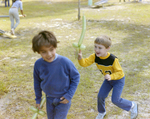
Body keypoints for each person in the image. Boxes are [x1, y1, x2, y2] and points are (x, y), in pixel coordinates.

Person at [77, 35, 138, 119]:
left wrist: (111, 76)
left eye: (100, 48)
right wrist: (80, 58)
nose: (97, 50)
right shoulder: (94, 56)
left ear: (107, 48)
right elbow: (85, 63)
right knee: (100, 96)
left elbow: (120, 73)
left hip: (118, 80)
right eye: (95, 47)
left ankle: (132, 105)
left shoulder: (113, 59)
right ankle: (102, 112)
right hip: (108, 80)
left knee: (115, 100)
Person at [32, 30, 80, 119]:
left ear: (55, 47)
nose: (49, 54)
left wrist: (69, 95)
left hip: (63, 99)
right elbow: (37, 82)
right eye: (44, 52)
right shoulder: (38, 64)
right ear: (38, 52)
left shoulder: (65, 62)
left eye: (51, 49)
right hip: (49, 98)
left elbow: (76, 77)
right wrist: (38, 99)